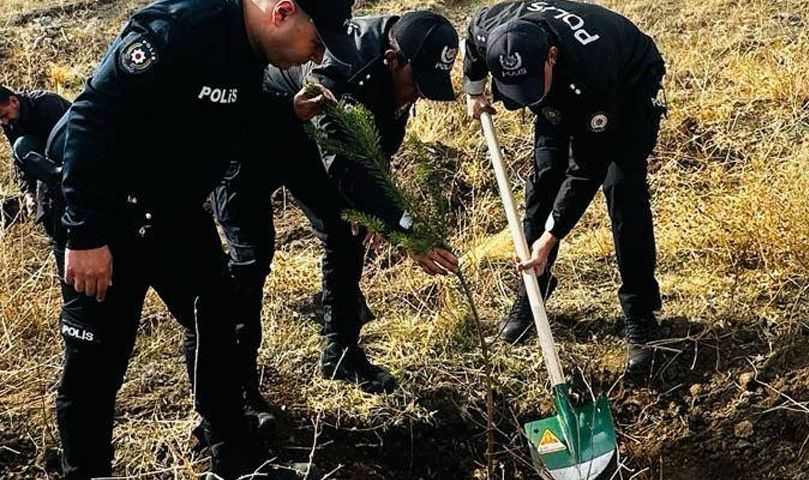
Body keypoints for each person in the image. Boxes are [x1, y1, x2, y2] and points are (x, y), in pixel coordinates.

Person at [53, 0, 358, 480]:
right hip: (105, 212)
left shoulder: (249, 52)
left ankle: (233, 468)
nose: (317, 55)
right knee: (97, 357)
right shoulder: (179, 29)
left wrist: (286, 111)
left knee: (218, 318)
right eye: (317, 41)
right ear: (283, 12)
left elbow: (229, 108)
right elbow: (91, 117)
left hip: (173, 210)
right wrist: (85, 235)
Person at [211, 10, 460, 411]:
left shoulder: (400, 59)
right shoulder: (341, 68)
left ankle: (341, 353)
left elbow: (375, 146)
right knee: (250, 258)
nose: (418, 95)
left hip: (309, 137)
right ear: (392, 60)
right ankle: (238, 391)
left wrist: (372, 210)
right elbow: (345, 163)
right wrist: (403, 229)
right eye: (416, 84)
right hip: (253, 137)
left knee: (347, 232)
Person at [463, 0, 667, 374]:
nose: (527, 98)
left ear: (551, 57)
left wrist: (551, 236)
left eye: (529, 86)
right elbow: (473, 42)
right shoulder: (491, 28)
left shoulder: (592, 71)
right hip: (564, 84)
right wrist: (474, 89)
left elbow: (588, 168)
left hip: (628, 84)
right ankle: (533, 292)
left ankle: (641, 313)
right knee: (543, 180)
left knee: (623, 188)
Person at [0, 85, 69, 235]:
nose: (4, 122)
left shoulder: (46, 103)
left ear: (14, 101)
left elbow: (74, 135)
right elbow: (19, 159)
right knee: (21, 145)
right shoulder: (9, 122)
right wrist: (28, 192)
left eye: (4, 115)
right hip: (47, 161)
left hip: (70, 150)